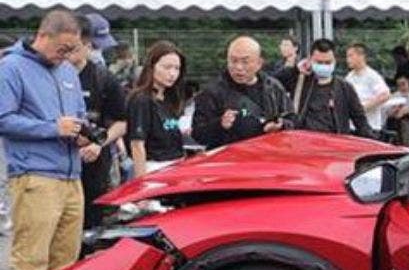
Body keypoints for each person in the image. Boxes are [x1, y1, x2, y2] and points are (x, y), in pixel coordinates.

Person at [0, 10, 88, 270]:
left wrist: (83, 133)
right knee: (31, 262)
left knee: (66, 265)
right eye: (62, 48)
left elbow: (80, 114)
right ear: (42, 35)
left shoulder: (68, 71)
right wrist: (53, 128)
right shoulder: (12, 68)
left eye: (71, 49)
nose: (66, 54)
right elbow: (3, 119)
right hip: (35, 177)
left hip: (72, 178)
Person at [68, 15, 127, 229]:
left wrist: (98, 143)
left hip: (93, 171)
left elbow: (121, 123)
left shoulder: (104, 79)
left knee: (90, 229)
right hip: (56, 169)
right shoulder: (49, 75)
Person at [192, 36, 295, 149]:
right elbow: (198, 134)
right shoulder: (212, 92)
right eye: (233, 61)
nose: (238, 67)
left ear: (259, 63)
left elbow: (293, 120)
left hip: (267, 156)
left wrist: (281, 125)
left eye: (245, 62)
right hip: (231, 160)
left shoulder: (274, 88)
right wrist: (220, 125)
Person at [279, 39, 375, 138]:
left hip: (335, 145)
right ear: (310, 60)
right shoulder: (299, 81)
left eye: (328, 62)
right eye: (319, 62)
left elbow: (360, 121)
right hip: (305, 144)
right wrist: (296, 69)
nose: (324, 66)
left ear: (334, 60)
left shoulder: (344, 88)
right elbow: (274, 82)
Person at [126, 41, 187, 177]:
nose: (172, 73)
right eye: (167, 67)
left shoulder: (171, 98)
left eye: (177, 68)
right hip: (153, 167)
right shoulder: (141, 100)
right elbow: (137, 144)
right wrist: (142, 183)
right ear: (152, 66)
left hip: (176, 165)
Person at [344, 43, 391, 135]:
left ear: (361, 56)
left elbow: (385, 95)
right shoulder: (349, 77)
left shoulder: (372, 75)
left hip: (370, 126)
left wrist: (362, 108)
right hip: (352, 126)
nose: (347, 60)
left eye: (350, 56)